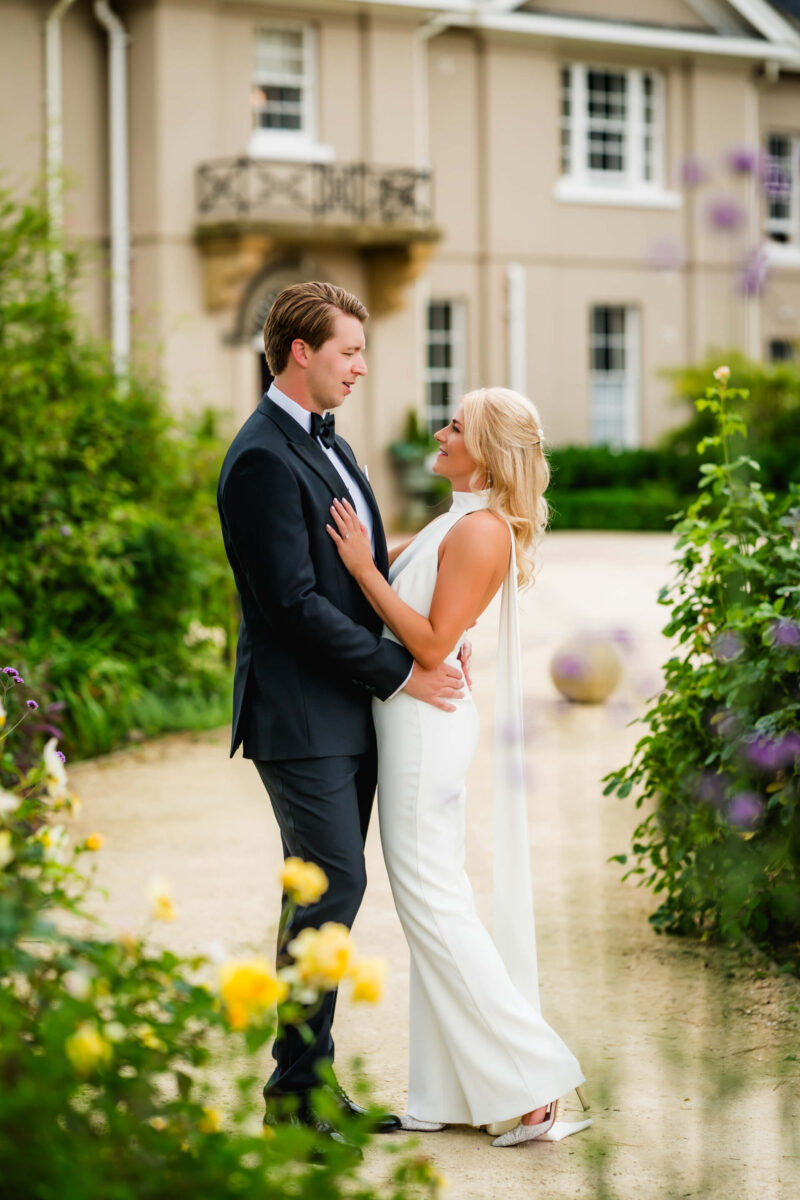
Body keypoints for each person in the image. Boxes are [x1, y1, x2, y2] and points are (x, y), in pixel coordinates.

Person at [216, 281, 467, 1142]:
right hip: (299, 716)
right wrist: (405, 671)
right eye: (349, 352)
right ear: (300, 353)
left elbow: (364, 576)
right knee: (333, 884)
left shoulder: (332, 444)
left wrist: (435, 626)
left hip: (346, 709)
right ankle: (295, 1097)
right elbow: (290, 606)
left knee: (324, 891)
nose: (361, 367)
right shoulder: (260, 458)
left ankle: (304, 1088)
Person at [326, 386, 591, 1147]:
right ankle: (445, 1093)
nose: (439, 433)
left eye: (456, 425)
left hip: (423, 730)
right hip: (415, 722)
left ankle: (535, 1086)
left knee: (435, 908)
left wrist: (363, 567)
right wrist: (381, 577)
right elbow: (427, 620)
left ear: (487, 449)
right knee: (430, 911)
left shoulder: (480, 532)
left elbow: (432, 645)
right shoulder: (458, 521)